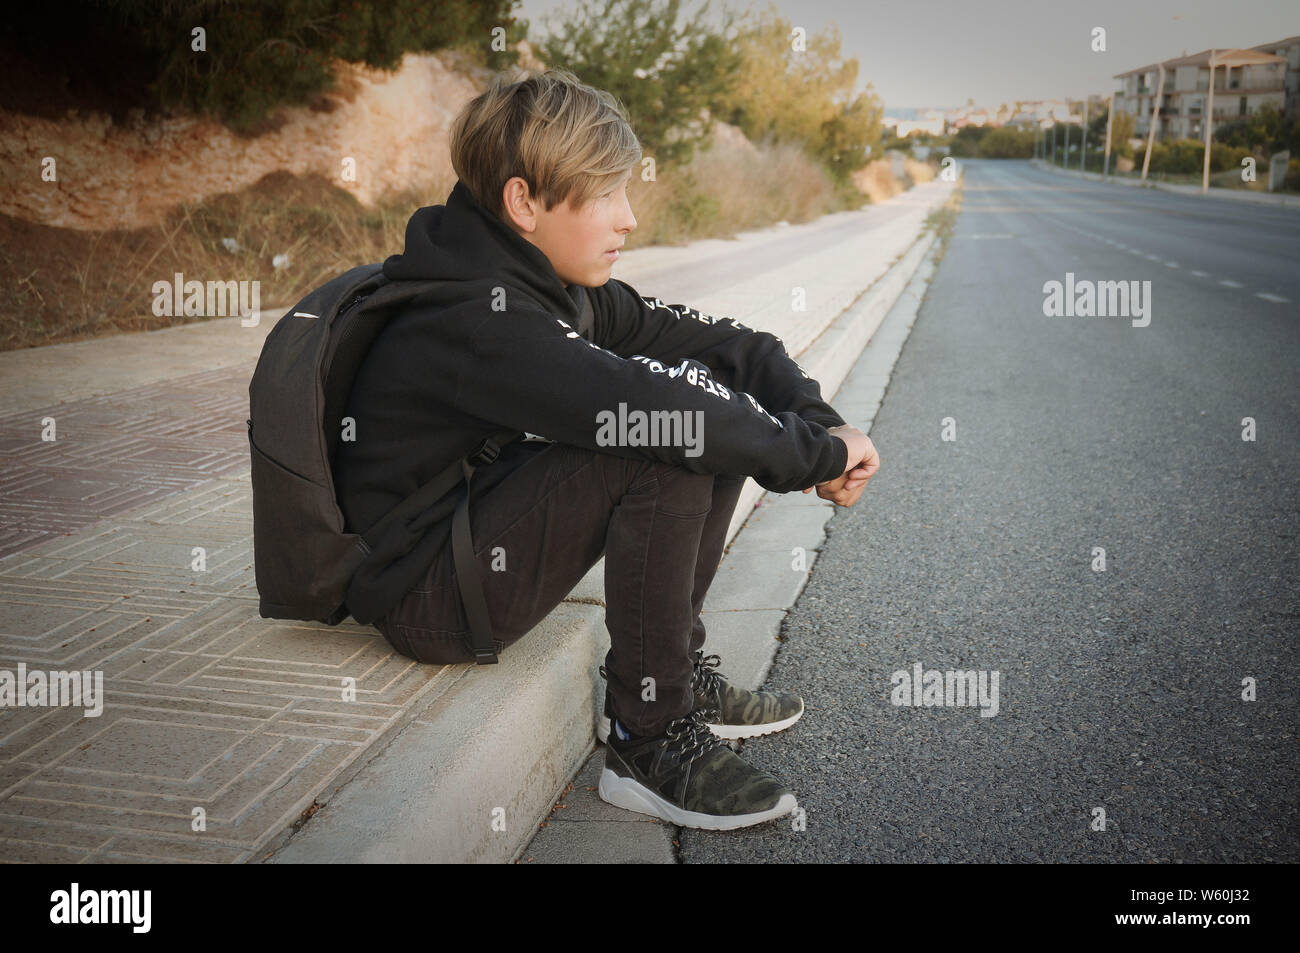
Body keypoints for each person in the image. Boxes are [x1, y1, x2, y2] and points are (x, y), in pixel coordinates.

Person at [333, 67, 879, 831]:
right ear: (524, 201)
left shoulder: (542, 281)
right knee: (661, 436)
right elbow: (666, 415)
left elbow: (730, 347)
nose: (628, 218)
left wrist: (822, 426)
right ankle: (645, 736)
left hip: (468, 525)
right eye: (604, 196)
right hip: (427, 595)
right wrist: (814, 460)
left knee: (694, 393)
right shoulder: (481, 319)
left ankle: (673, 674)